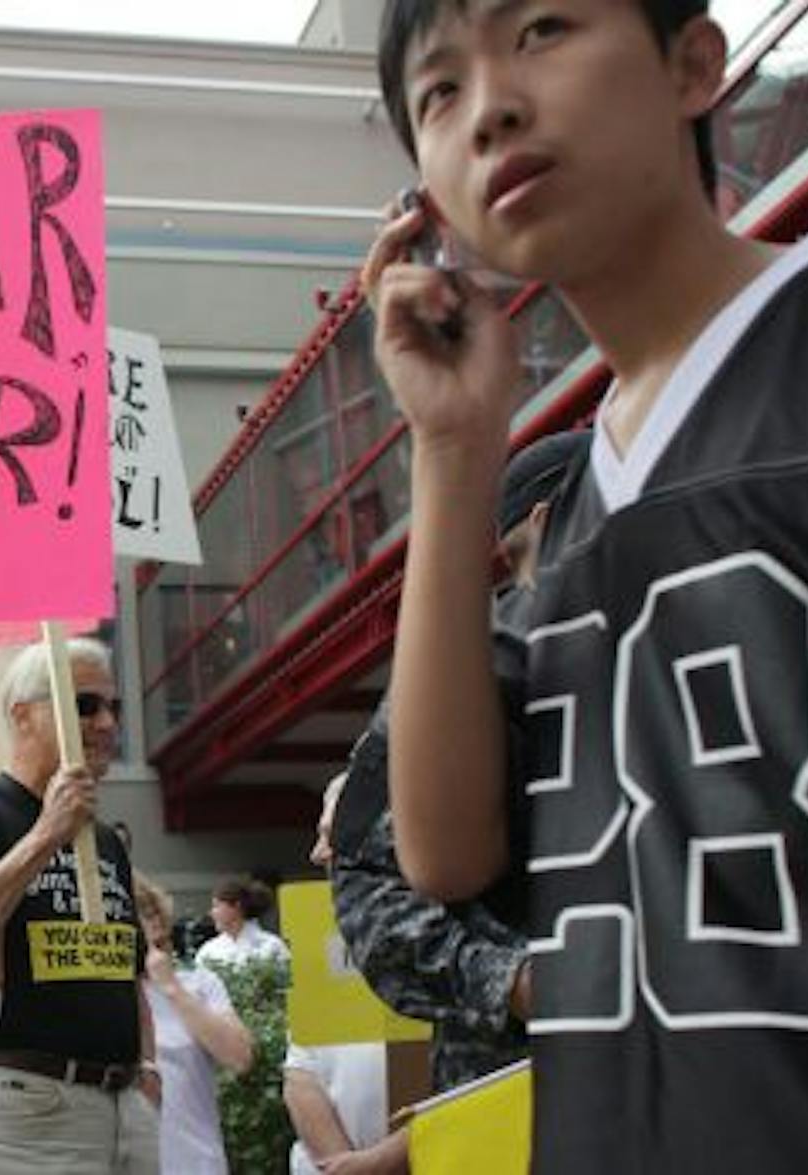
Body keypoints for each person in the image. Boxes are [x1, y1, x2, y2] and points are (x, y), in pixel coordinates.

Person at [368, 0, 808, 1168]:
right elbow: (443, 848)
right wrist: (451, 450)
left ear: (693, 63)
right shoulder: (572, 487)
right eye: (437, 91)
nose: (491, 108)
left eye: (540, 30)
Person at [327, 432, 586, 1093]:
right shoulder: (472, 670)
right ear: (548, 521)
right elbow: (371, 892)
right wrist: (521, 982)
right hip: (518, 1086)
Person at [0, 636, 160, 1174]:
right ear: (22, 716)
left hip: (123, 1105)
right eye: (84, 705)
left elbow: (130, 972)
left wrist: (148, 1072)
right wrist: (46, 834)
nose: (106, 723)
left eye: (113, 708)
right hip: (29, 1106)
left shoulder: (107, 840)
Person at [282, 778, 402, 1175]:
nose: (317, 854)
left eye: (329, 836)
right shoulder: (318, 935)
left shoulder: (446, 934)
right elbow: (300, 1074)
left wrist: (384, 1161)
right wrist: (346, 1165)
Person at [133, 872, 250, 1175]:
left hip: (196, 1161)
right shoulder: (103, 997)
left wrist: (171, 987)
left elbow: (239, 1057)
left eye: (164, 941)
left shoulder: (199, 984)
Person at [193, 873, 288, 971]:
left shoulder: (271, 945)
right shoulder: (208, 951)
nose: (212, 913)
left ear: (237, 906)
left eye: (217, 906)